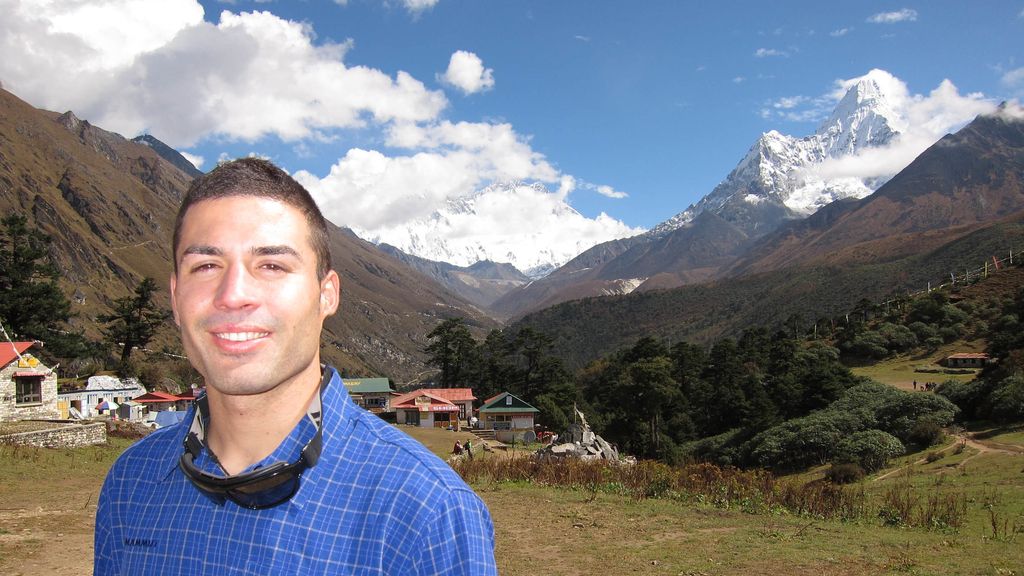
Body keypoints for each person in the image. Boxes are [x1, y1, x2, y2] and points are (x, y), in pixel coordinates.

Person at [94, 158, 497, 575]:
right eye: (206, 266)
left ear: (326, 295)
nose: (233, 294)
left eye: (272, 265)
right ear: (176, 298)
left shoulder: (428, 513)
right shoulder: (130, 483)